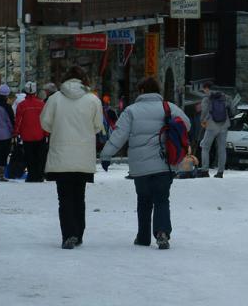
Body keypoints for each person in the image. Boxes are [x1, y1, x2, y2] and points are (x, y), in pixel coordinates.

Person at [99, 77, 191, 249]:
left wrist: (106, 155)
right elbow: (187, 124)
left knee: (143, 200)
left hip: (140, 166)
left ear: (141, 91)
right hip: (164, 163)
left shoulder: (131, 111)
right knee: (162, 199)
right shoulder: (168, 107)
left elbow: (119, 134)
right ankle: (162, 232)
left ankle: (143, 237)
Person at [41, 66, 104, 250]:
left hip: (61, 155)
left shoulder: (54, 99)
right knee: (79, 196)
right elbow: (98, 125)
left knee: (64, 198)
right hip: (83, 155)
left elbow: (45, 123)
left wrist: (58, 130)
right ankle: (78, 233)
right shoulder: (92, 99)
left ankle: (68, 234)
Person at [14, 82, 49, 183]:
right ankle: (39, 175)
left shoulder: (21, 105)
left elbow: (18, 121)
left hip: (26, 135)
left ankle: (31, 175)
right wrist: (46, 133)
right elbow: (45, 120)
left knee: (29, 156)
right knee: (40, 156)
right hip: (40, 134)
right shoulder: (41, 104)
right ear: (35, 92)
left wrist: (16, 132)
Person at [199, 82, 234, 178]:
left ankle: (205, 170)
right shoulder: (225, 97)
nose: (204, 91)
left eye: (204, 89)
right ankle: (220, 172)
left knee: (205, 147)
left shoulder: (206, 98)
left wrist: (202, 121)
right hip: (224, 125)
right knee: (222, 149)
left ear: (207, 88)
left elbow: (204, 111)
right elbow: (232, 109)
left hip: (211, 125)